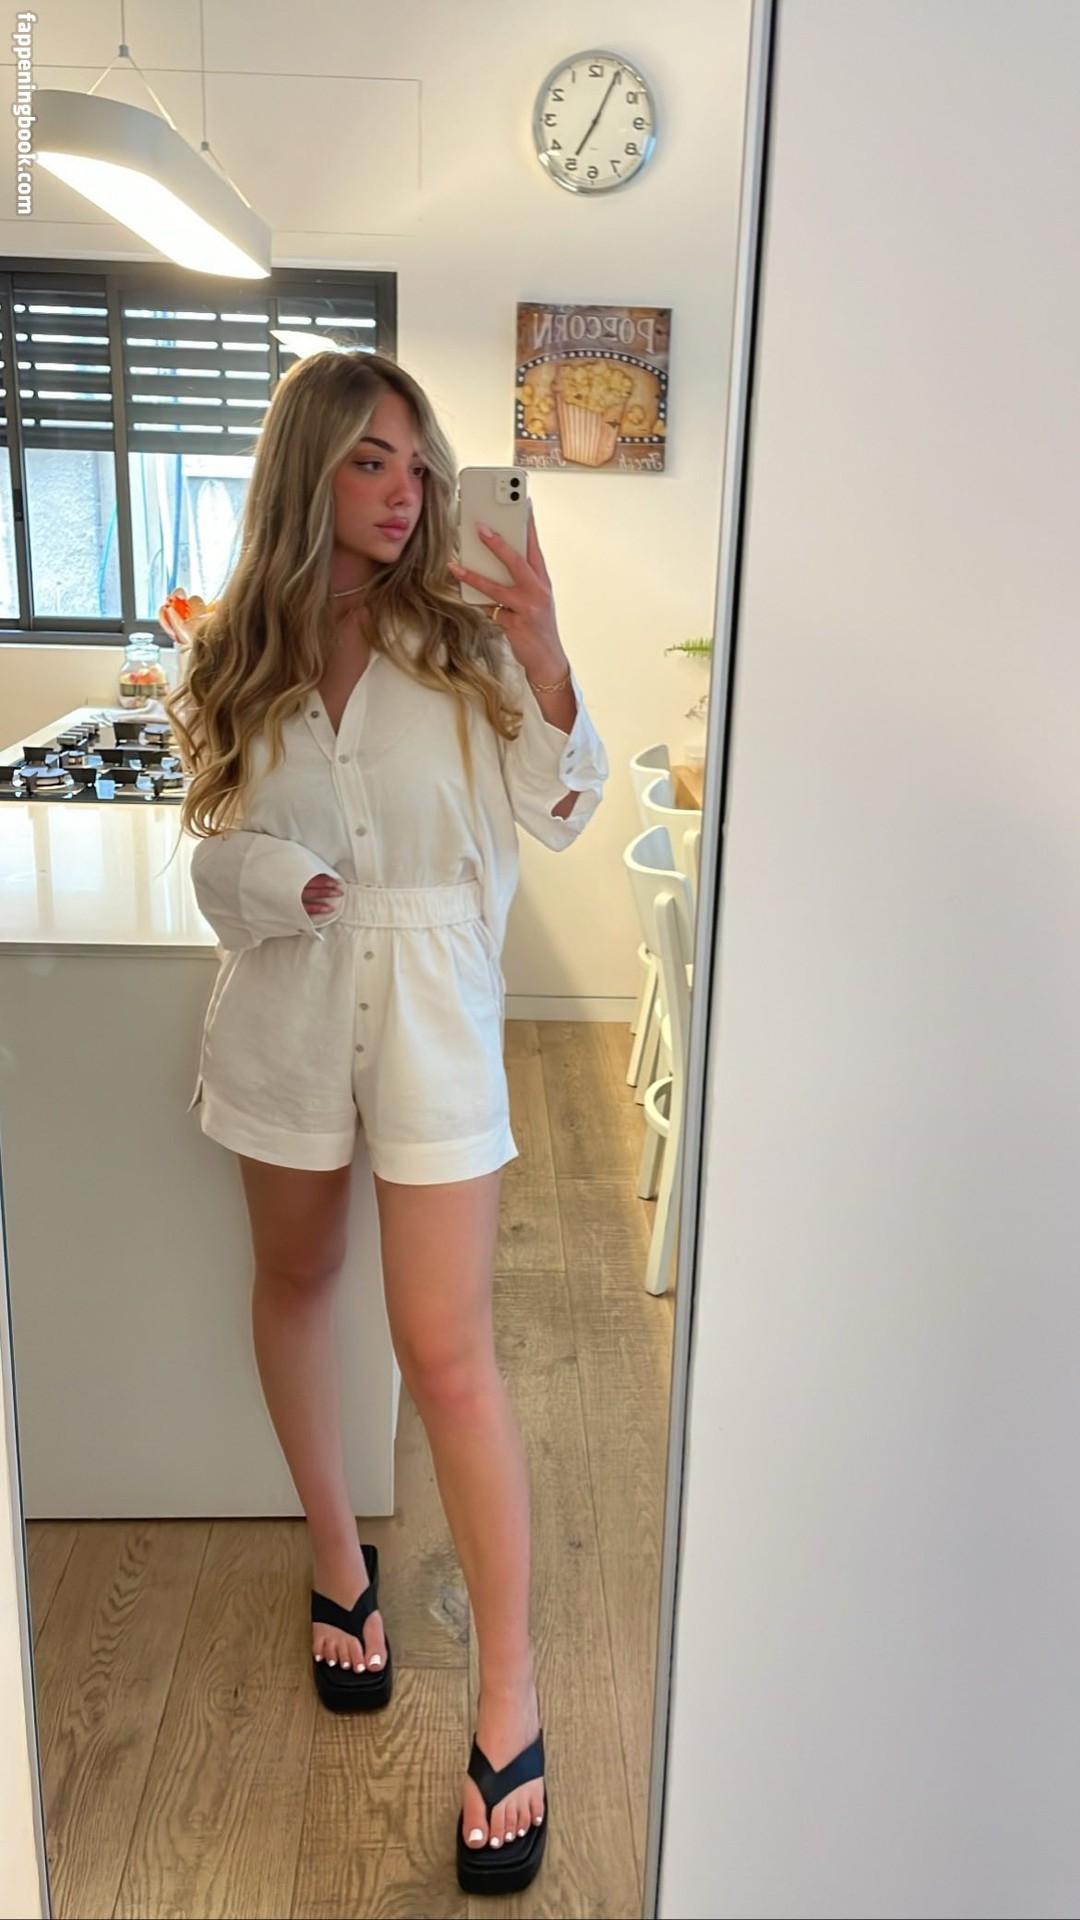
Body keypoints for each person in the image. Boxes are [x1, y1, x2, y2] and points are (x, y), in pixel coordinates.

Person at [166, 348, 607, 1896]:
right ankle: (335, 1559)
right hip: (287, 1003)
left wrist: (547, 650)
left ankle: (510, 1696)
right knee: (295, 1283)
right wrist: (270, 880)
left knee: (450, 1352)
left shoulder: (467, 637)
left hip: (433, 1015)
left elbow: (564, 810)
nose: (406, 491)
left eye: (419, 463)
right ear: (307, 469)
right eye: (369, 459)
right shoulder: (238, 648)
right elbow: (207, 851)